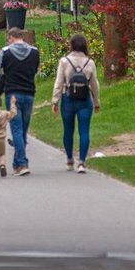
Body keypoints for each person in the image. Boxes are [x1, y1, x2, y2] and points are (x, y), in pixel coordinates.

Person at [0, 27, 39, 176]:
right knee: (23, 129)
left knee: (16, 129)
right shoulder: (34, 52)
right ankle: (17, 164)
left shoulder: (6, 52)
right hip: (29, 93)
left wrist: (6, 71)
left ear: (11, 37)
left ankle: (23, 163)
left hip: (13, 94)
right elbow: (35, 69)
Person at [51, 33, 101, 173]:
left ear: (71, 45)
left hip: (68, 98)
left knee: (68, 130)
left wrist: (55, 101)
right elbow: (94, 84)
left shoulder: (65, 61)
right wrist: (96, 102)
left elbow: (59, 82)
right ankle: (82, 162)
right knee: (84, 131)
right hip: (85, 100)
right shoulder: (90, 62)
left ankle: (69, 160)